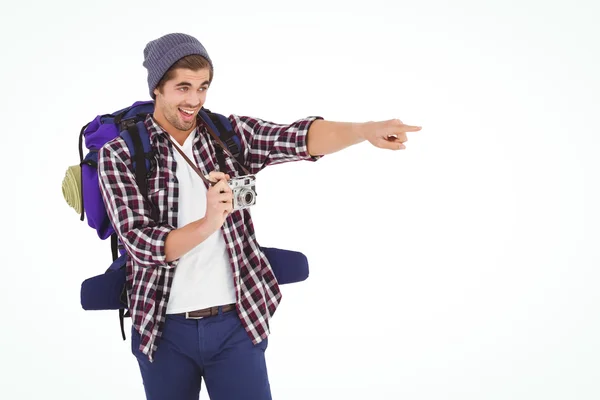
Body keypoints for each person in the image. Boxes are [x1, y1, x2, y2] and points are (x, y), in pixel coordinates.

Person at [97, 32, 422, 400]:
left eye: (203, 87)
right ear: (158, 88)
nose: (195, 100)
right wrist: (209, 222)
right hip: (162, 328)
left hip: (237, 322)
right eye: (182, 88)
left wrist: (364, 131)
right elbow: (143, 245)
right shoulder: (121, 154)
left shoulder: (226, 135)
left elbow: (296, 137)